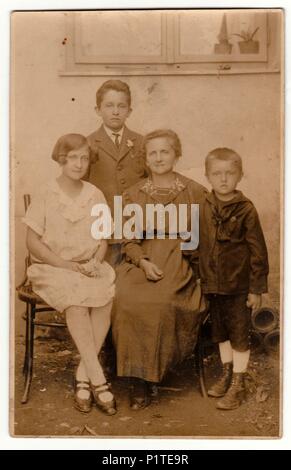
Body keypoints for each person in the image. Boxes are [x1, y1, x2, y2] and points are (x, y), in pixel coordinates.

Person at [112, 129, 207, 410]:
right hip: (141, 260)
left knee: (162, 301)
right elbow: (128, 240)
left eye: (165, 151)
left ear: (176, 154)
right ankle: (138, 379)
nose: (158, 157)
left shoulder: (195, 191)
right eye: (152, 152)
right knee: (126, 299)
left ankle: (155, 375)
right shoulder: (132, 194)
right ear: (145, 158)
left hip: (180, 260)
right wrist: (142, 261)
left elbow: (204, 238)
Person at [23, 133, 117, 416]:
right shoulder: (46, 192)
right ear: (61, 159)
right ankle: (97, 379)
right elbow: (32, 242)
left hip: (88, 266)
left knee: (105, 295)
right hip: (54, 268)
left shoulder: (95, 194)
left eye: (84, 158)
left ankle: (83, 376)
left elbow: (103, 240)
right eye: (73, 157)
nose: (79, 163)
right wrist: (65, 265)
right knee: (77, 299)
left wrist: (95, 262)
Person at [199, 147, 269, 410]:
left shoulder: (246, 209)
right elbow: (201, 244)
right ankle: (227, 373)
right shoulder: (205, 206)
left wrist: (256, 288)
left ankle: (238, 382)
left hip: (238, 285)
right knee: (221, 332)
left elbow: (257, 250)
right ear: (208, 176)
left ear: (240, 176)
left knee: (239, 333)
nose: (223, 179)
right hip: (213, 284)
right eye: (217, 173)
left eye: (230, 173)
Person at [87, 79, 146, 267]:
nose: (115, 111)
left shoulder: (142, 143)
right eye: (109, 105)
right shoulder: (87, 144)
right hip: (103, 230)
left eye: (121, 106)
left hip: (137, 228)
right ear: (98, 110)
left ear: (129, 111)